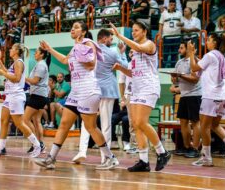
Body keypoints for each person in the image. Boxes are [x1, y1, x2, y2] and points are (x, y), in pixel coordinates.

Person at [34, 21, 119, 170]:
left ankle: (110, 158)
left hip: (88, 89)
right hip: (76, 91)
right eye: (72, 27)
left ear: (84, 32)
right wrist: (50, 49)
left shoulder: (88, 43)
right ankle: (51, 158)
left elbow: (91, 65)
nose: (73, 29)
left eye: (76, 27)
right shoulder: (76, 47)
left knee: (91, 127)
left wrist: (80, 53)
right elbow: (65, 60)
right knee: (64, 124)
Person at [111, 21, 171, 172]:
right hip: (137, 89)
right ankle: (143, 161)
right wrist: (121, 68)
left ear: (144, 31)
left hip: (148, 88)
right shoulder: (135, 53)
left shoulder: (149, 45)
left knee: (142, 122)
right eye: (133, 31)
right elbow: (132, 73)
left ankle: (162, 152)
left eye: (136, 30)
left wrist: (119, 36)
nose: (134, 33)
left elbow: (138, 46)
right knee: (136, 125)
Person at [72, 29, 128, 164]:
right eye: (110, 38)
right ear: (103, 39)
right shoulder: (113, 51)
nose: (112, 41)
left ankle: (82, 151)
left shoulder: (88, 49)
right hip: (107, 90)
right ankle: (105, 157)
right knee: (106, 124)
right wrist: (122, 53)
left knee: (87, 122)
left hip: (90, 88)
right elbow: (125, 66)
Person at [187, 33, 225, 167]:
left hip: (211, 96)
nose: (207, 41)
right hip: (222, 96)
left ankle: (206, 158)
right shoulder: (220, 56)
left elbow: (194, 68)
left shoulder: (210, 55)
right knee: (214, 125)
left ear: (215, 43)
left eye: (210, 40)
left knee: (204, 127)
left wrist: (191, 53)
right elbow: (202, 68)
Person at [0, 44, 42, 158]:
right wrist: (0, 61)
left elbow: (16, 78)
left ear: (17, 51)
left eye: (12, 48)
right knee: (3, 120)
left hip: (16, 96)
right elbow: (8, 73)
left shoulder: (19, 62)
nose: (10, 50)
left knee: (19, 123)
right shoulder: (15, 62)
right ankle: (1, 148)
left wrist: (3, 73)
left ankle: (37, 146)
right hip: (10, 96)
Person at [170, 42, 202, 158]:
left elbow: (194, 79)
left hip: (195, 95)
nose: (179, 50)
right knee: (183, 122)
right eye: (179, 47)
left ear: (189, 48)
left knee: (195, 122)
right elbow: (175, 81)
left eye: (181, 47)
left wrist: (180, 76)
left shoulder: (196, 61)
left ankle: (196, 148)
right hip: (184, 95)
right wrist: (173, 78)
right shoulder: (179, 62)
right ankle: (187, 146)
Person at [23, 47, 50, 154]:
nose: (35, 54)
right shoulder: (40, 64)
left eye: (37, 53)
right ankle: (41, 144)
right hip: (40, 95)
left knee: (25, 120)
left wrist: (22, 77)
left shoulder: (41, 65)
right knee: (36, 121)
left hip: (37, 96)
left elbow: (34, 81)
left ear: (42, 54)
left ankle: (36, 144)